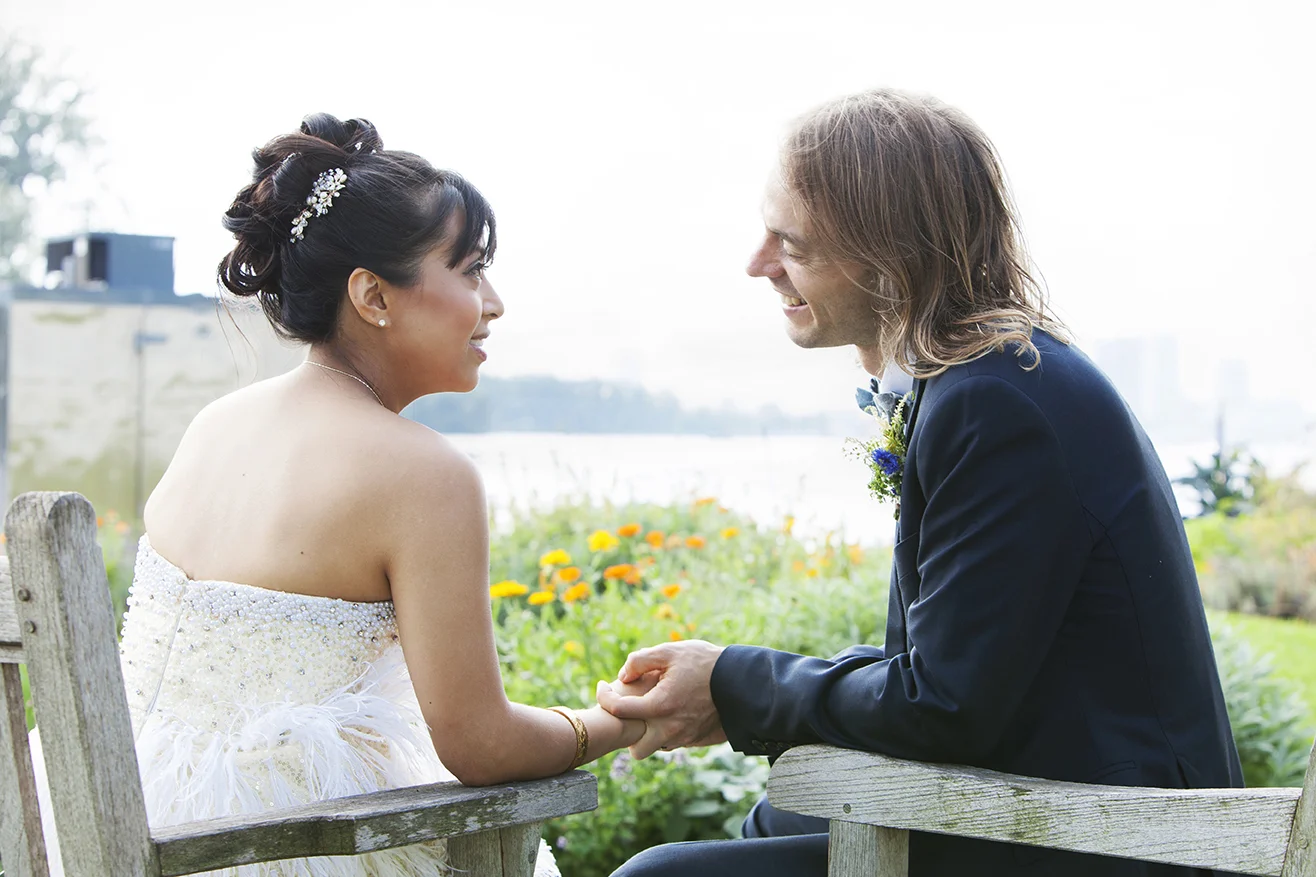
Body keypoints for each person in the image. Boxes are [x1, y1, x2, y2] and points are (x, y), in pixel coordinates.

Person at [597, 89, 1244, 877]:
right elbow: (956, 664)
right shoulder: (987, 380)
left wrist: (733, 684)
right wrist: (731, 690)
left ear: (889, 255)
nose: (758, 264)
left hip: (1118, 841)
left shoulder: (998, 403)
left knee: (657, 876)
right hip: (1051, 803)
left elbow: (944, 704)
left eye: (791, 243)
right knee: (777, 814)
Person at [30, 113, 645, 877]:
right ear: (373, 295)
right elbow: (482, 744)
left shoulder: (214, 425)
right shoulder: (424, 476)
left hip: (101, 825)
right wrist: (613, 723)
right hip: (280, 846)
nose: (494, 302)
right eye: (470, 270)